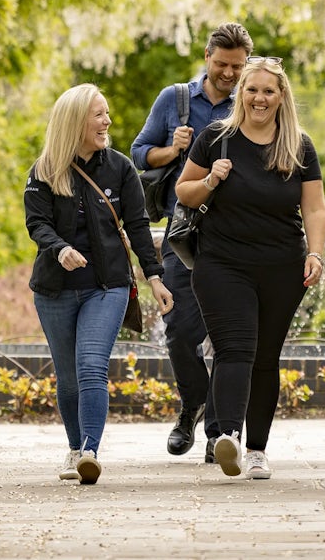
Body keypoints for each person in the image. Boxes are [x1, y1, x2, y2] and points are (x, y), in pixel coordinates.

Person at [174, 56, 325, 480]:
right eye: (252, 89)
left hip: (282, 266)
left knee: (265, 357)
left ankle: (257, 449)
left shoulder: (298, 145)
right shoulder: (215, 138)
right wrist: (210, 181)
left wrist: (315, 253)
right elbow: (183, 192)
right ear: (241, 93)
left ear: (281, 97)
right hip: (222, 263)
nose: (259, 98)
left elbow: (314, 208)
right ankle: (228, 436)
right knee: (235, 347)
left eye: (268, 91)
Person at [25, 84, 175, 485]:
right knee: (69, 375)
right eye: (98, 115)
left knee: (91, 366)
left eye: (107, 114)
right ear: (75, 121)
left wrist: (154, 278)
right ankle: (75, 449)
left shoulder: (122, 168)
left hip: (107, 286)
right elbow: (36, 224)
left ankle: (90, 451)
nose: (107, 122)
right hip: (55, 289)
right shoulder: (43, 170)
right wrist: (59, 249)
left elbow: (139, 227)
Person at [131, 23, 253, 462]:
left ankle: (218, 434)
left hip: (237, 233)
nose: (228, 74)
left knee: (227, 335)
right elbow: (138, 152)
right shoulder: (175, 100)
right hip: (183, 233)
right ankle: (192, 404)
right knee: (180, 330)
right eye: (222, 64)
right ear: (206, 56)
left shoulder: (253, 102)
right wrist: (171, 149)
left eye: (237, 67)